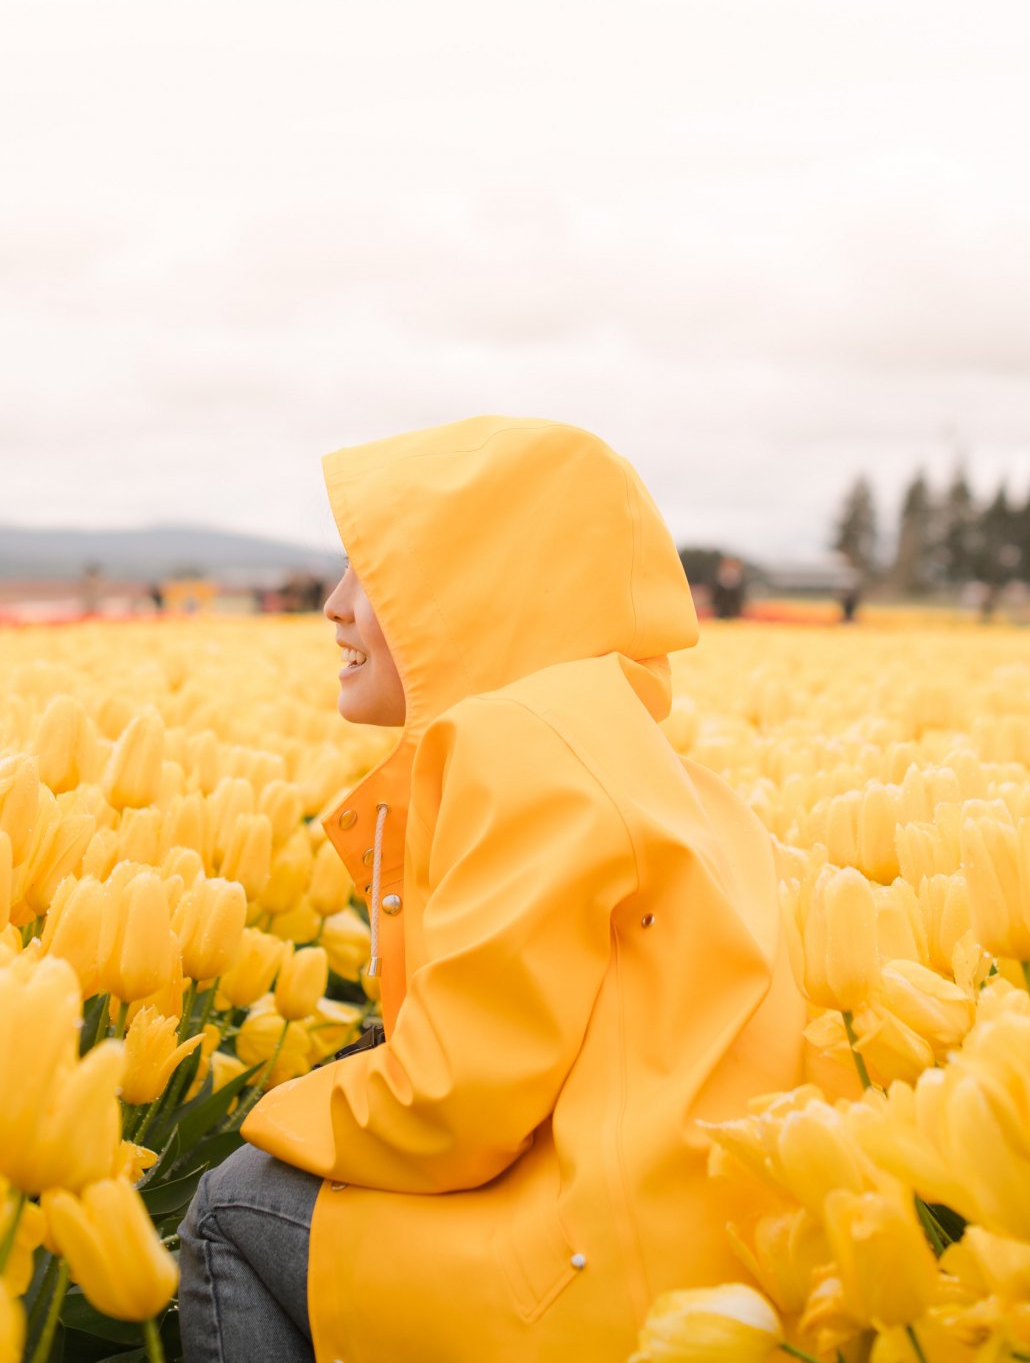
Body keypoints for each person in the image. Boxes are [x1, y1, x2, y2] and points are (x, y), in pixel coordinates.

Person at [179, 416, 805, 1363]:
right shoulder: (629, 748)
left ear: (469, 589)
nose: (335, 607)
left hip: (606, 1275)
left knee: (232, 1201)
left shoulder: (516, 742)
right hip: (708, 1242)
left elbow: (456, 1105)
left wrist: (267, 1111)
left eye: (372, 574)